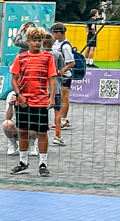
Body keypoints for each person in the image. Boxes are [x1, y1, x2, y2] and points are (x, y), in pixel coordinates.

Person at [8, 26, 55, 178]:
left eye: (39, 40)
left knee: (42, 132)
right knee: (23, 131)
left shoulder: (48, 57)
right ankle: (23, 161)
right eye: (34, 40)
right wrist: (19, 95)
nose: (37, 43)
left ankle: (43, 164)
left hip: (41, 101)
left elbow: (52, 78)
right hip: (24, 101)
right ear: (27, 41)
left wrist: (52, 97)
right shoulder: (21, 58)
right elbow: (14, 79)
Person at [49, 23, 75, 141]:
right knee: (59, 97)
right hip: (57, 75)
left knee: (64, 97)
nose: (53, 35)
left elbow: (71, 62)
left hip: (65, 76)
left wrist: (62, 70)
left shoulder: (65, 46)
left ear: (59, 33)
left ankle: (63, 120)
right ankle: (60, 120)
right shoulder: (56, 43)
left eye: (54, 33)